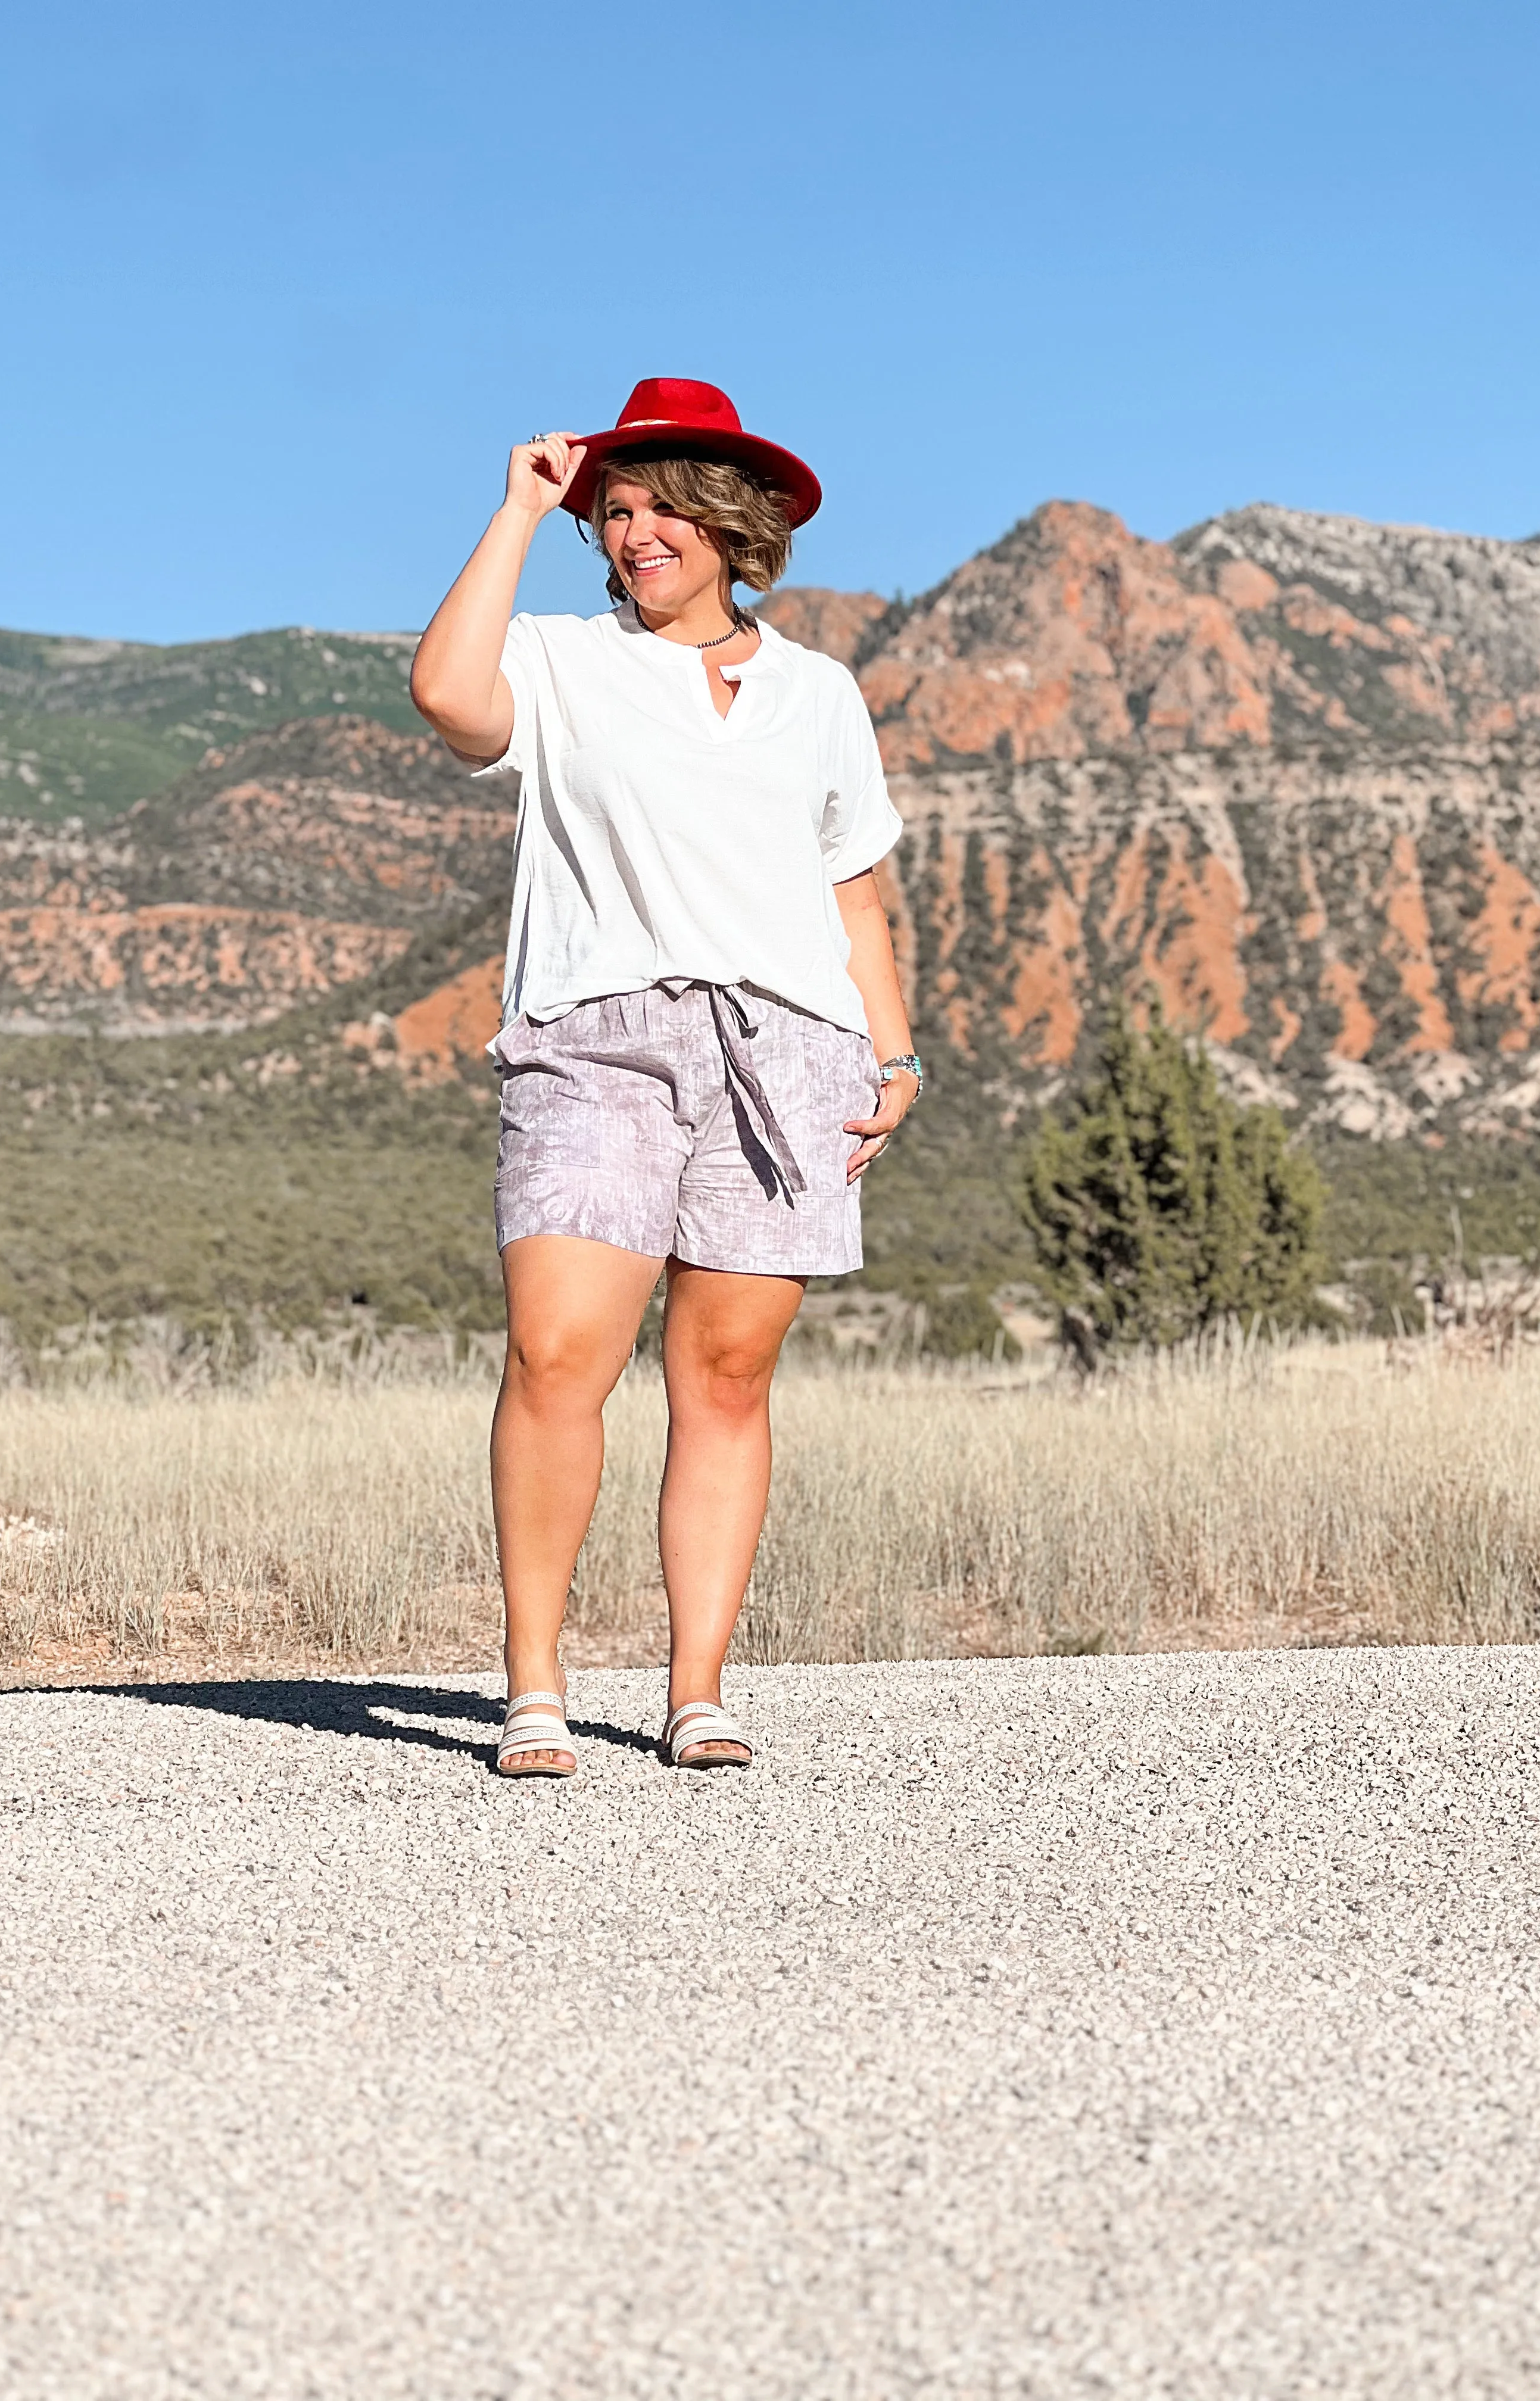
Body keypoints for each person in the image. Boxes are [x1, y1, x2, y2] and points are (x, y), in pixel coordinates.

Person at [409, 377, 921, 1778]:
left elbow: (856, 895)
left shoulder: (819, 694)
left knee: (730, 1376)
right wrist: (522, 505)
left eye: (663, 510)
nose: (635, 534)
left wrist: (895, 1052)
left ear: (732, 524)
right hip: (599, 1038)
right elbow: (447, 695)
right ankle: (534, 1689)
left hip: (791, 1046)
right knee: (558, 1356)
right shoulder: (565, 663)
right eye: (616, 512)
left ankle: (698, 1692)